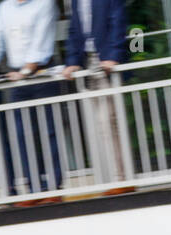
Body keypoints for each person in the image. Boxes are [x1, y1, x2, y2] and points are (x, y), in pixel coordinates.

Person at [0, 0, 63, 203]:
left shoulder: (44, 4)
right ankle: (34, 189)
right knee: (21, 135)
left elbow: (41, 44)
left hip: (42, 75)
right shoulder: (5, 8)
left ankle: (53, 188)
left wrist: (26, 71)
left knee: (48, 132)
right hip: (16, 79)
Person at [64, 0, 131, 191]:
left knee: (108, 121)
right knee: (101, 125)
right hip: (89, 65)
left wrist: (113, 56)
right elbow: (74, 32)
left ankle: (122, 178)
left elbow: (118, 24)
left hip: (107, 65)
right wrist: (72, 61)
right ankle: (115, 177)